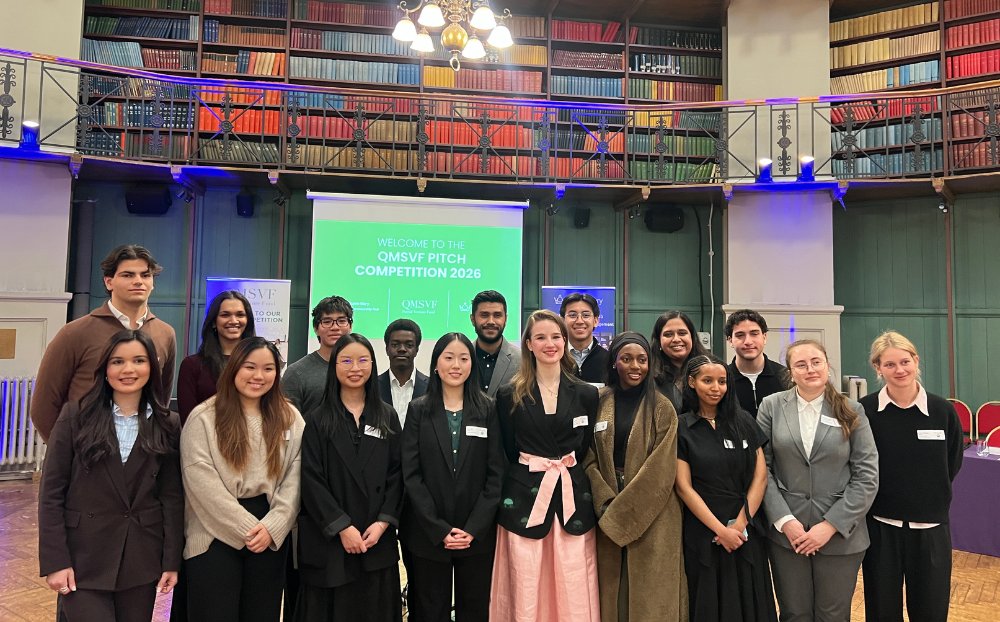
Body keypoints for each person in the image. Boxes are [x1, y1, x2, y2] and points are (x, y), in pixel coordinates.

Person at [38, 329, 183, 622]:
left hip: (142, 557)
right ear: (105, 369)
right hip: (83, 558)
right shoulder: (74, 417)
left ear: (151, 369)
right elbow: (51, 493)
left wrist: (171, 561)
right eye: (118, 361)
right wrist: (56, 561)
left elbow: (171, 496)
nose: (128, 369)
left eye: (138, 361)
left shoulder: (168, 423)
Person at [181, 337, 305, 622]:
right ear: (234, 368)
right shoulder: (204, 417)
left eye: (268, 368)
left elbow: (295, 477)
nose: (258, 376)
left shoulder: (291, 418)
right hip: (213, 531)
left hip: (269, 532)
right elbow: (200, 480)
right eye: (250, 367)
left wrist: (274, 526)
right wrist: (248, 528)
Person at [757, 339, 879, 622]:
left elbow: (867, 476)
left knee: (833, 615)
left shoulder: (852, 410)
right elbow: (761, 468)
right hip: (788, 536)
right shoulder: (771, 407)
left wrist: (831, 525)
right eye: (801, 364)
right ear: (790, 371)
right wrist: (784, 520)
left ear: (827, 366)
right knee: (794, 613)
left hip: (840, 536)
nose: (810, 369)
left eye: (816, 362)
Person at [491, 309, 601, 622]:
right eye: (540, 337)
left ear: (565, 341)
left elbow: (585, 446)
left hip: (572, 499)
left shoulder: (586, 394)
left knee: (572, 578)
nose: (549, 343)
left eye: (556, 336)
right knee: (526, 579)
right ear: (528, 343)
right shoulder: (508, 394)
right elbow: (509, 450)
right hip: (524, 499)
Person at [295, 333, 403, 622]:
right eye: (346, 360)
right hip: (331, 541)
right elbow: (311, 479)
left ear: (372, 364)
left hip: (375, 538)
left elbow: (398, 474)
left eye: (362, 360)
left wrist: (382, 523)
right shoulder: (318, 419)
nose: (355, 368)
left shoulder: (387, 416)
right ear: (334, 367)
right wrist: (342, 527)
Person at [859, 331, 964, 622]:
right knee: (881, 611)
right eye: (889, 364)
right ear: (877, 368)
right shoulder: (865, 411)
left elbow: (952, 461)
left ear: (916, 361)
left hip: (931, 528)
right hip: (881, 528)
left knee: (930, 610)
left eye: (905, 361)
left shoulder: (943, 410)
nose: (899, 370)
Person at [583, 332, 687, 622]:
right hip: (605, 506)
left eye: (642, 360)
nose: (635, 366)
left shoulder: (663, 407)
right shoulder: (598, 401)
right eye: (626, 359)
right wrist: (605, 502)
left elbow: (662, 468)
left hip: (655, 511)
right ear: (614, 362)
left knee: (651, 593)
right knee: (610, 592)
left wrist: (623, 512)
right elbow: (586, 456)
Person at [400, 332, 503, 622]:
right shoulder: (419, 409)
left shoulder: (488, 409)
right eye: (448, 357)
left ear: (472, 364)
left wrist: (473, 528)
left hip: (477, 537)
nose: (455, 365)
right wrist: (439, 528)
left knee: (475, 609)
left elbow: (496, 474)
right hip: (428, 536)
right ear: (435, 364)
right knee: (430, 610)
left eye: (463, 357)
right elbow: (412, 474)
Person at [33, 245, 177, 442]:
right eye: (128, 275)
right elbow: (43, 407)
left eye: (145, 275)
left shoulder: (165, 334)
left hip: (142, 453)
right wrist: (67, 454)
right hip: (86, 455)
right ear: (109, 282)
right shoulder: (75, 333)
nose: (138, 281)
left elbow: (161, 399)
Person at [674, 354, 777, 622]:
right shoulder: (681, 427)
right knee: (709, 602)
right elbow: (684, 487)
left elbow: (761, 478)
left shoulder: (743, 421)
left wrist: (739, 527)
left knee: (750, 600)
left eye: (722, 381)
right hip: (704, 530)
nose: (716, 387)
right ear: (692, 382)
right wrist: (721, 530)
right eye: (707, 380)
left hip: (745, 529)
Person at [178, 290, 256, 424]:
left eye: (240, 315)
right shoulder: (192, 365)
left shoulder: (259, 365)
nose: (233, 321)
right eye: (225, 315)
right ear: (214, 322)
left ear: (247, 321)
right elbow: (189, 420)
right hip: (204, 441)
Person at [284, 296, 353, 416]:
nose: (335, 327)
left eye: (342, 321)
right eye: (327, 322)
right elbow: (287, 423)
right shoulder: (296, 372)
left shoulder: (360, 369)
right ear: (316, 329)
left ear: (350, 326)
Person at [724, 309, 789, 418]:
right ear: (730, 341)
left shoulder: (785, 376)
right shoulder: (722, 379)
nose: (748, 341)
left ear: (764, 338)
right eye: (740, 335)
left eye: (754, 334)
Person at [650, 310, 708, 413]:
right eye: (668, 334)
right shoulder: (648, 377)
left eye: (682, 333)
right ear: (659, 341)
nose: (676, 339)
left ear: (692, 337)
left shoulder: (710, 369)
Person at [378, 318, 429, 427]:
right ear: (387, 349)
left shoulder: (432, 386)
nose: (402, 349)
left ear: (416, 350)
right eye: (395, 345)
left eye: (409, 345)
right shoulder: (372, 385)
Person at [470, 290, 521, 398]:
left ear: (505, 319)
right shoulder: (462, 358)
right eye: (484, 315)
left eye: (497, 315)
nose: (491, 321)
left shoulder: (522, 360)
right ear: (473, 319)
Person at [560, 293, 610, 385]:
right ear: (562, 321)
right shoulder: (555, 358)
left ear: (596, 321)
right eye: (572, 315)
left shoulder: (608, 360)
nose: (579, 321)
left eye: (586, 315)